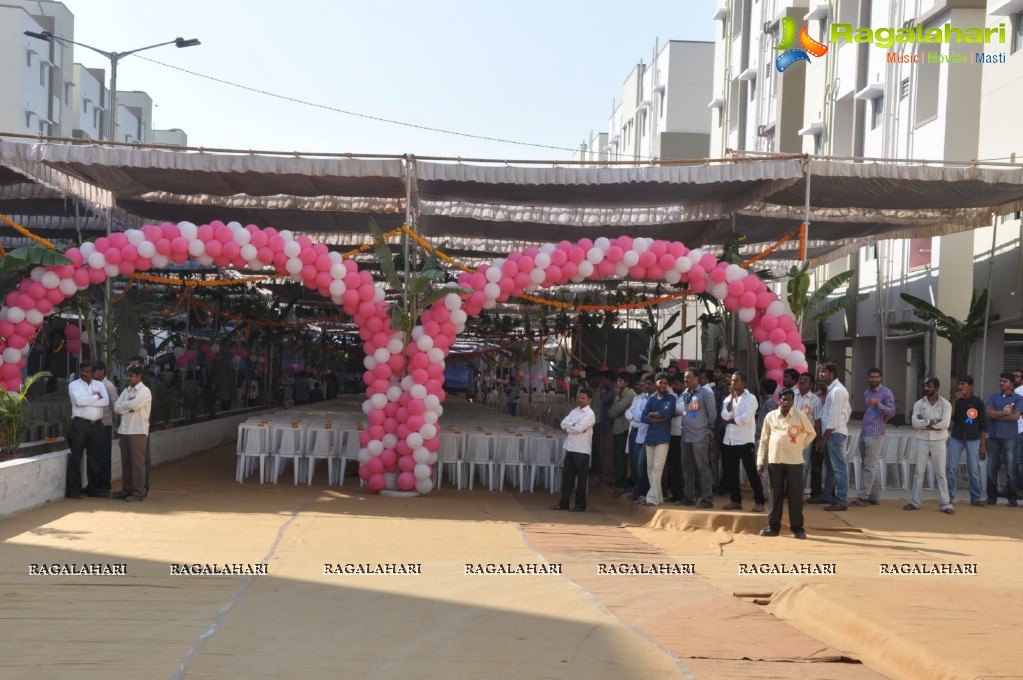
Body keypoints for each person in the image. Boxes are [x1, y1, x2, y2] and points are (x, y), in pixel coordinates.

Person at [757, 388, 816, 538]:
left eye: (790, 399)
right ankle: (773, 527)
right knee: (774, 494)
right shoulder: (770, 416)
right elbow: (763, 440)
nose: (787, 402)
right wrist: (760, 461)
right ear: (779, 400)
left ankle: (797, 528)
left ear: (793, 401)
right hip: (775, 460)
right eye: (784, 399)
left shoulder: (800, 415)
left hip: (794, 461)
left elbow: (811, 433)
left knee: (795, 495)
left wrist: (800, 445)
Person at [905, 377, 954, 514]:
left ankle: (945, 504)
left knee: (941, 472)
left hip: (939, 440)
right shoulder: (919, 404)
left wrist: (925, 424)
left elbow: (945, 424)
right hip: (923, 439)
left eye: (929, 386)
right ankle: (915, 502)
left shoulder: (945, 404)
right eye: (925, 386)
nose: (926, 388)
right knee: (918, 472)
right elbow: (914, 423)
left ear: (937, 388)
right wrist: (932, 422)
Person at [720, 371, 764, 512]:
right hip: (729, 441)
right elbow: (724, 415)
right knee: (731, 473)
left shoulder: (750, 398)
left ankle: (760, 501)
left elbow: (745, 419)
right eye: (732, 380)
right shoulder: (728, 399)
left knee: (751, 472)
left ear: (743, 383)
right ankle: (735, 500)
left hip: (745, 441)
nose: (733, 383)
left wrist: (731, 421)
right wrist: (732, 399)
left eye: (736, 380)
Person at [851, 368, 896, 507]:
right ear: (868, 378)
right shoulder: (867, 392)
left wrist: (878, 404)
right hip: (865, 431)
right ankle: (874, 497)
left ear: (881, 378)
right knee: (869, 466)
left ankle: (863, 497)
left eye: (877, 377)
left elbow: (892, 411)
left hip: (876, 433)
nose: (874, 380)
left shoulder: (886, 393)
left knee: (870, 466)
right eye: (872, 377)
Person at [65, 361, 110, 499]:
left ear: (93, 372)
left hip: (97, 425)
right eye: (82, 371)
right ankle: (73, 490)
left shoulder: (100, 385)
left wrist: (88, 400)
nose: (84, 374)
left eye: (87, 371)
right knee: (76, 457)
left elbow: (106, 402)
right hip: (80, 425)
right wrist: (96, 397)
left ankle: (93, 488)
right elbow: (78, 402)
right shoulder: (74, 385)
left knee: (95, 458)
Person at [551, 387, 596, 512]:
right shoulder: (575, 411)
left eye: (583, 398)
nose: (580, 400)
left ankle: (580, 505)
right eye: (579, 397)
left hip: (582, 449)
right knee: (567, 478)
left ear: (590, 400)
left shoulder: (590, 414)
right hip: (570, 447)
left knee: (581, 479)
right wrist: (572, 427)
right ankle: (563, 502)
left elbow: (579, 428)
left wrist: (570, 427)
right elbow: (563, 423)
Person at [112, 365, 152, 502]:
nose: (129, 378)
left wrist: (127, 405)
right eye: (128, 375)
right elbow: (116, 407)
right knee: (126, 462)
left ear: (139, 376)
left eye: (131, 375)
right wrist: (127, 406)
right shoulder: (126, 390)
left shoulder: (145, 391)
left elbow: (134, 405)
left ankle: (139, 492)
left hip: (138, 431)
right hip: (124, 430)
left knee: (138, 463)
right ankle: (126, 489)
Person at [679, 368, 717, 508]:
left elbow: (712, 412)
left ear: (697, 378)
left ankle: (707, 498)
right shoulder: (685, 393)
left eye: (688, 377)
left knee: (702, 467)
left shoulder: (705, 393)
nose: (686, 380)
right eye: (685, 377)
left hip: (700, 435)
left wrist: (710, 428)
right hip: (685, 434)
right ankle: (689, 496)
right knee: (687, 467)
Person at [946, 375, 987, 506]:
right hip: (956, 437)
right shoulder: (956, 400)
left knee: (973, 469)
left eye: (963, 384)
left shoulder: (978, 403)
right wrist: (954, 400)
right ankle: (948, 496)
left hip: (973, 439)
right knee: (951, 467)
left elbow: (983, 425)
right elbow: (949, 417)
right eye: (959, 384)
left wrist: (983, 446)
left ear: (970, 386)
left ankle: (975, 498)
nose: (960, 387)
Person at [816, 362, 851, 511]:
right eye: (820, 372)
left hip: (835, 433)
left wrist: (823, 439)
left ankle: (841, 500)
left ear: (832, 373)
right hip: (833, 432)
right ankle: (827, 495)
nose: (821, 375)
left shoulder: (837, 391)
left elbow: (834, 418)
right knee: (831, 468)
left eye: (824, 372)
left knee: (839, 468)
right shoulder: (833, 390)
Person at [985, 371, 1023, 506]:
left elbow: (1015, 417)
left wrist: (997, 414)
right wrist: (1004, 413)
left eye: (1005, 381)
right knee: (991, 467)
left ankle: (1012, 499)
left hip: (1010, 437)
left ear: (1012, 384)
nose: (1002, 383)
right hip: (994, 436)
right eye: (1001, 380)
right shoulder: (993, 396)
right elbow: (988, 413)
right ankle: (991, 497)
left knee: (1011, 467)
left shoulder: (1018, 399)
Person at [640, 372, 676, 506]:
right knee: (650, 467)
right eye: (661, 382)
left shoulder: (671, 398)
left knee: (657, 469)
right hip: (650, 437)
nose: (663, 385)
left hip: (662, 438)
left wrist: (653, 415)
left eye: (666, 383)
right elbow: (643, 417)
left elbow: (667, 413)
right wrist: (657, 419)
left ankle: (652, 498)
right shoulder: (651, 399)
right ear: (656, 383)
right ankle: (658, 497)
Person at [625, 374, 655, 502]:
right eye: (643, 383)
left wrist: (635, 417)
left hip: (645, 432)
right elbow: (629, 412)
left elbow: (643, 416)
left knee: (642, 463)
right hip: (634, 431)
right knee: (634, 461)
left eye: (647, 384)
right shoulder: (639, 397)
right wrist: (634, 417)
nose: (644, 386)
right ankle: (638, 487)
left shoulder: (654, 399)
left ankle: (643, 490)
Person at [793, 372, 823, 498]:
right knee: (789, 462)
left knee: (804, 465)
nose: (802, 382)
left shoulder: (815, 400)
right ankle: (788, 491)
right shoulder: (792, 395)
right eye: (801, 379)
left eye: (806, 380)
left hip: (806, 437)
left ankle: (798, 494)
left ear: (811, 384)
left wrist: (819, 439)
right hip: (790, 435)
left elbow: (817, 420)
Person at [92, 361, 119, 490]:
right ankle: (96, 483)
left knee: (104, 455)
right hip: (96, 424)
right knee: (96, 455)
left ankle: (104, 483)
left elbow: (115, 406)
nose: (93, 373)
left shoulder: (109, 386)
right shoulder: (94, 385)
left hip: (105, 424)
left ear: (102, 371)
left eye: (95, 370)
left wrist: (113, 424)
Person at [608, 373, 636, 493]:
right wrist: (617, 412)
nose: (617, 383)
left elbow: (618, 409)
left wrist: (617, 398)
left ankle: (622, 483)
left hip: (624, 429)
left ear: (627, 383)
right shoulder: (619, 395)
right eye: (617, 381)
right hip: (617, 428)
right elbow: (611, 413)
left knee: (621, 458)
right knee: (616, 457)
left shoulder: (629, 394)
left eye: (620, 381)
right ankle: (619, 481)